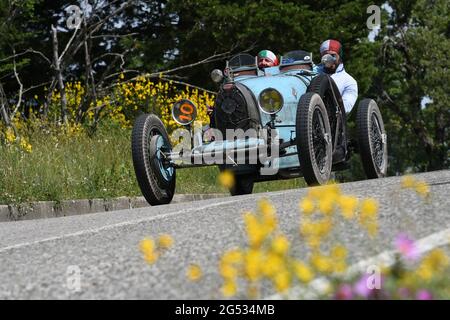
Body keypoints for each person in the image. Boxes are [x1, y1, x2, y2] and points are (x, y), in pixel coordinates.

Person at [318, 39, 358, 113]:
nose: (329, 59)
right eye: (326, 56)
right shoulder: (312, 72)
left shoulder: (349, 81)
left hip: (331, 120)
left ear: (339, 56)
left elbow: (346, 108)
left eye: (333, 55)